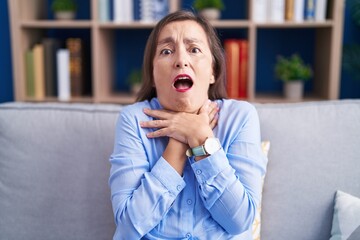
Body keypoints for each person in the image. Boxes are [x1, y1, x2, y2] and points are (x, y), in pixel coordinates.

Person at [109, 10, 267, 240]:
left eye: (194, 49)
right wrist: (178, 142)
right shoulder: (134, 120)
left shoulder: (241, 117)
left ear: (213, 71)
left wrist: (201, 138)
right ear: (152, 74)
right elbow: (128, 227)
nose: (181, 60)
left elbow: (240, 220)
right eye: (166, 51)